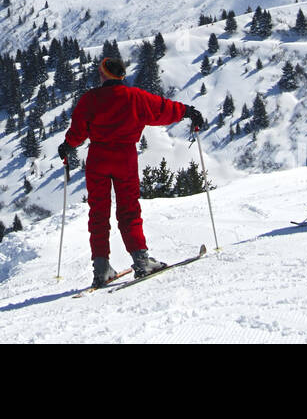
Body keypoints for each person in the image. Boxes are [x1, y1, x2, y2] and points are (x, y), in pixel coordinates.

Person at [57, 56, 206, 287]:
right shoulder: (135, 97)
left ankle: (101, 268)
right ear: (122, 75)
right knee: (128, 210)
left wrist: (67, 146)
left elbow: (78, 131)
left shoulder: (90, 100)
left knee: (98, 213)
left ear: (103, 75)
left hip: (98, 159)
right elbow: (163, 109)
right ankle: (141, 260)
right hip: (125, 158)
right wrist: (188, 111)